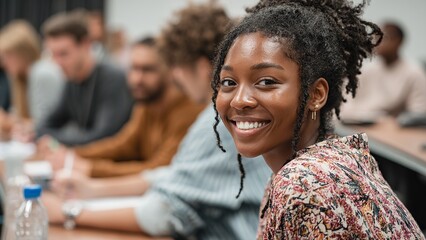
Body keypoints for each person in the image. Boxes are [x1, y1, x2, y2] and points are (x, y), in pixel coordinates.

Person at [43, 2, 271, 239]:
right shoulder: (208, 114)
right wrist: (94, 189)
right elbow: (174, 174)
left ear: (203, 68)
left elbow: (163, 212)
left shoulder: (217, 121)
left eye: (177, 67)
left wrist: (67, 213)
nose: (175, 76)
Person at [212, 0, 425, 239]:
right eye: (228, 82)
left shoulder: (304, 183)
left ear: (316, 95)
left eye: (266, 81)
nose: (239, 101)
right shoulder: (331, 161)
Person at [44, 37, 203, 177]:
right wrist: (73, 155)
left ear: (170, 72)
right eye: (133, 68)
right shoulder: (145, 105)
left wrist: (91, 168)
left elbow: (159, 169)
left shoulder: (187, 109)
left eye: (148, 70)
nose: (137, 79)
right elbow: (123, 145)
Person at [37, 10, 133, 146]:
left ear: (86, 44)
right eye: (53, 54)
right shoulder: (72, 79)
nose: (57, 62)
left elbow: (103, 138)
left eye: (63, 54)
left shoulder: (112, 79)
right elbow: (43, 127)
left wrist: (53, 141)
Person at [341, 21, 426, 120]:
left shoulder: (415, 72)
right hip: (355, 124)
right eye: (376, 38)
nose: (378, 43)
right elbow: (345, 100)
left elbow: (419, 113)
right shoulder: (366, 69)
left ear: (399, 42)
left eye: (385, 39)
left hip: (388, 129)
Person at [0, 20, 64, 141]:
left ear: (21, 53)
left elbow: (45, 124)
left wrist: (9, 122)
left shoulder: (41, 72)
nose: (4, 63)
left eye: (7, 56)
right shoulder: (22, 79)